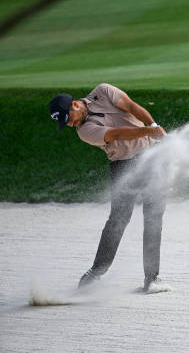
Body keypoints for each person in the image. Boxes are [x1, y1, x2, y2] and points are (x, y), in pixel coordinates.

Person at [49, 83, 168, 293]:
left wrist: (154, 125)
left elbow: (131, 106)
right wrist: (147, 131)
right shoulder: (84, 131)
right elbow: (115, 134)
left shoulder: (103, 91)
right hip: (123, 166)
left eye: (69, 119)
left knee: (153, 215)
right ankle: (94, 274)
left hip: (150, 157)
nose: (70, 125)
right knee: (119, 219)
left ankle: (152, 278)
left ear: (75, 105)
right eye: (66, 124)